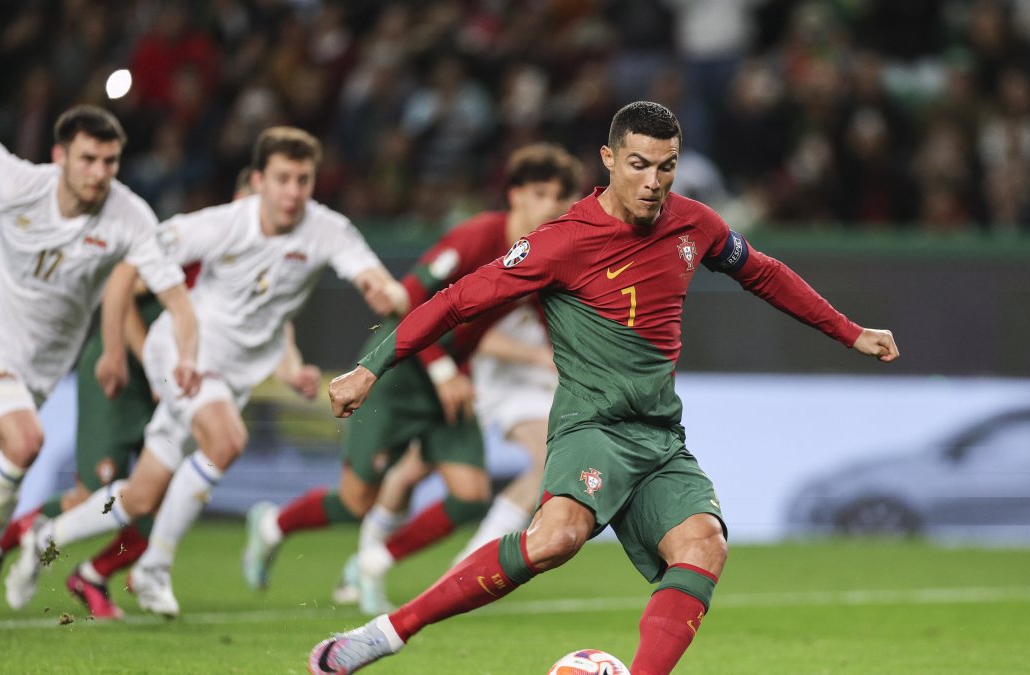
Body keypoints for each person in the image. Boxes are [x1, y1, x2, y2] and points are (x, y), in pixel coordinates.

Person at [306, 101, 899, 674]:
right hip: (592, 427)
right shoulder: (562, 241)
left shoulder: (696, 223)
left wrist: (850, 333)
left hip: (659, 435)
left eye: (666, 167)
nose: (654, 182)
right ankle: (386, 633)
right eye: (639, 164)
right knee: (557, 538)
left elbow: (763, 273)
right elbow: (458, 299)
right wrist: (370, 368)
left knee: (704, 544)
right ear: (609, 160)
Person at [4, 126, 405, 617]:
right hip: (179, 355)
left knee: (142, 495)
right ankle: (153, 568)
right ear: (258, 180)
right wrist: (113, 348)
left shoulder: (328, 230)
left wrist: (382, 291)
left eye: (304, 179)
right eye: (283, 178)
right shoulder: (222, 224)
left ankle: (47, 536)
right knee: (227, 440)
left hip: (230, 378)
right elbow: (133, 262)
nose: (294, 191)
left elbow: (368, 277)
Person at [241, 144, 581, 611]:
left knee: (470, 495)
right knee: (356, 501)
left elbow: (550, 319)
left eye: (562, 197)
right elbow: (411, 300)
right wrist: (443, 370)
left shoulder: (543, 255)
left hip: (451, 380)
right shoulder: (476, 237)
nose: (553, 206)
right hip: (398, 370)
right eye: (542, 193)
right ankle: (271, 525)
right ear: (515, 195)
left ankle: (373, 563)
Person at [0, 169, 271, 620]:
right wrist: (149, 364)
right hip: (119, 374)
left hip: (162, 385)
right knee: (95, 492)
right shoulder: (194, 245)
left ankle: (93, 574)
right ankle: (12, 541)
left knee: (155, 496)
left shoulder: (256, 267)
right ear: (239, 199)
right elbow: (120, 293)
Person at [0, 105, 199, 553]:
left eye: (109, 162)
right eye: (88, 159)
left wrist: (180, 361)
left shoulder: (130, 217)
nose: (99, 172)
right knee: (25, 440)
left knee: (15, 452)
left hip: (41, 371)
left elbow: (178, 303)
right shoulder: (17, 184)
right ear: (60, 157)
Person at [332, 301, 558, 613]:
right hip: (480, 387)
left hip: (523, 387)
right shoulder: (507, 267)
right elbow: (470, 329)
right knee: (396, 480)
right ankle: (461, 565)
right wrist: (537, 356)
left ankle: (370, 563)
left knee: (413, 475)